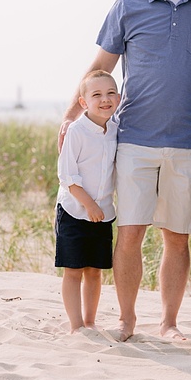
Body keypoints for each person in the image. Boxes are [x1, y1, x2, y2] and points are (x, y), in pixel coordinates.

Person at [58, 0, 191, 342]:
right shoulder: (128, 4)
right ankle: (127, 319)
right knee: (129, 235)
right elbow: (100, 68)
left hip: (187, 141)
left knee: (177, 239)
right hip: (134, 140)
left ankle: (170, 323)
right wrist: (72, 114)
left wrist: (185, 99)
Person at [55, 69, 120, 333]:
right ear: (84, 102)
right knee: (73, 270)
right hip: (74, 210)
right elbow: (67, 176)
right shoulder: (77, 131)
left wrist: (100, 207)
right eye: (97, 95)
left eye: (110, 93)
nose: (105, 99)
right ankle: (76, 325)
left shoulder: (116, 130)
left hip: (103, 213)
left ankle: (90, 322)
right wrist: (89, 205)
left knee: (95, 271)